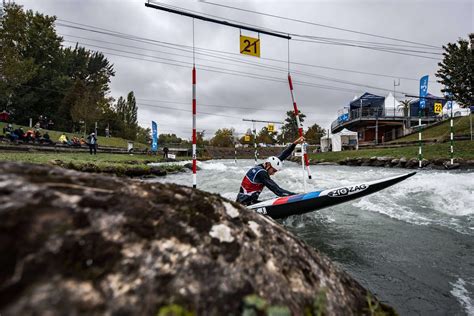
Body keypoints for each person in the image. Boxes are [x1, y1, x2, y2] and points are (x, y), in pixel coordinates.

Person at [236, 136, 305, 206]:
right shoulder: (261, 173)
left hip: (249, 202)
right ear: (268, 165)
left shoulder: (264, 166)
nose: (273, 173)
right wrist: (296, 196)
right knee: (279, 198)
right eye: (274, 171)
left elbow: (283, 155)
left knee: (277, 199)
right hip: (245, 205)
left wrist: (295, 143)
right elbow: (277, 190)